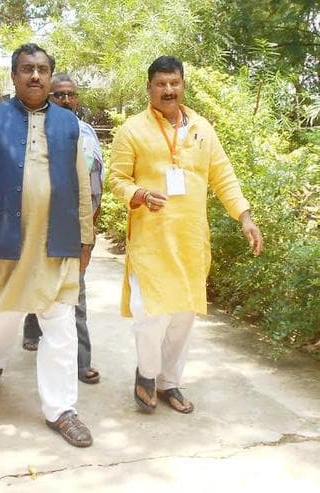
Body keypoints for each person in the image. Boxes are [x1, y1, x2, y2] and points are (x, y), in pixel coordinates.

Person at [0, 43, 95, 448]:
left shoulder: (69, 124)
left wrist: (86, 237)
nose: (35, 75)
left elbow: (81, 184)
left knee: (60, 326)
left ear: (50, 76)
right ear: (14, 75)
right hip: (3, 236)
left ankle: (61, 409)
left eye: (42, 69)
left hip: (56, 240)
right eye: (27, 69)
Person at [108, 55, 263, 414]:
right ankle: (147, 374)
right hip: (150, 239)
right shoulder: (132, 129)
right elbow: (117, 178)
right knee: (150, 313)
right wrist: (140, 194)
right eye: (161, 84)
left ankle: (169, 382)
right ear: (149, 88)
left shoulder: (202, 129)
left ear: (183, 85)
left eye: (174, 83)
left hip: (190, 239)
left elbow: (223, 176)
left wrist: (245, 216)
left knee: (182, 316)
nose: (168, 90)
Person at [22, 73, 104, 385]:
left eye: (71, 94)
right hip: (38, 225)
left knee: (75, 294)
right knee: (35, 281)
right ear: (48, 97)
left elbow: (96, 181)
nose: (66, 100)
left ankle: (81, 361)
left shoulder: (87, 133)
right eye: (59, 95)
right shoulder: (33, 132)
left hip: (75, 226)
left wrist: (90, 228)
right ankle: (32, 325)